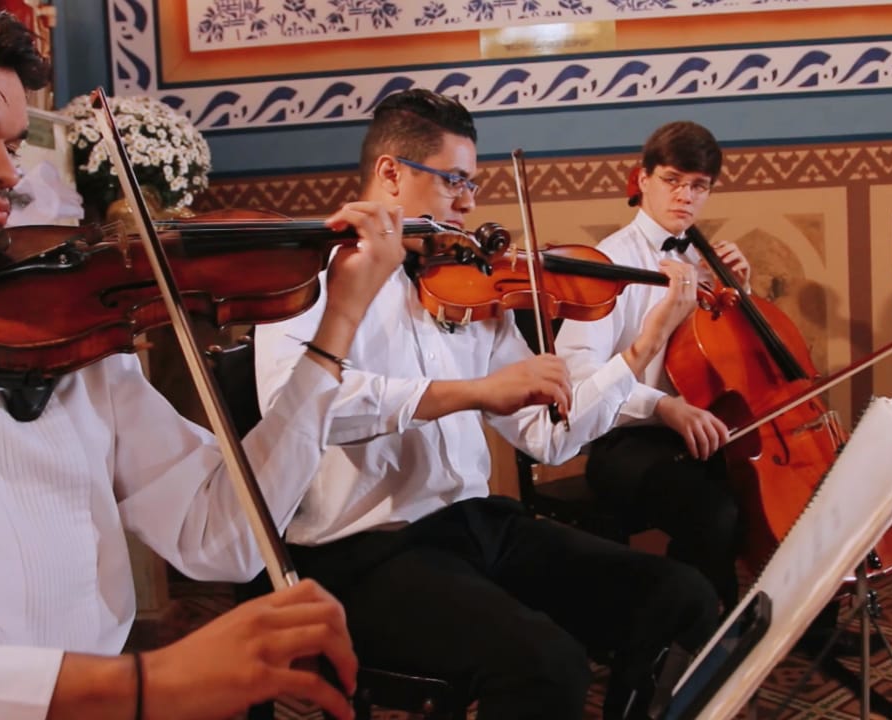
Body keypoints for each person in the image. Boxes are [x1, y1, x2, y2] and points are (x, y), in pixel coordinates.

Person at [0, 2, 409, 718]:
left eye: (11, 144)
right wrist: (136, 686)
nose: (5, 172)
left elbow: (221, 534)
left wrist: (339, 324)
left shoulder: (58, 322)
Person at [249, 89, 720, 720]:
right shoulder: (305, 280)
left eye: (471, 183)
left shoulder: (470, 284)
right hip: (364, 551)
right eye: (453, 181)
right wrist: (470, 393)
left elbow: (550, 438)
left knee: (681, 595)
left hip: (473, 524)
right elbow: (299, 409)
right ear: (391, 173)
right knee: (548, 665)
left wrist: (642, 349)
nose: (469, 203)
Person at [553, 121, 748, 611]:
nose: (685, 196)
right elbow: (577, 369)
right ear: (642, 179)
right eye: (672, 180)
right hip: (624, 440)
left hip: (697, 428)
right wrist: (662, 406)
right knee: (713, 511)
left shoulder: (706, 259)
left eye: (699, 186)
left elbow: (728, 358)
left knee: (780, 493)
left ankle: (795, 625)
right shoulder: (607, 262)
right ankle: (695, 625)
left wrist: (740, 297)